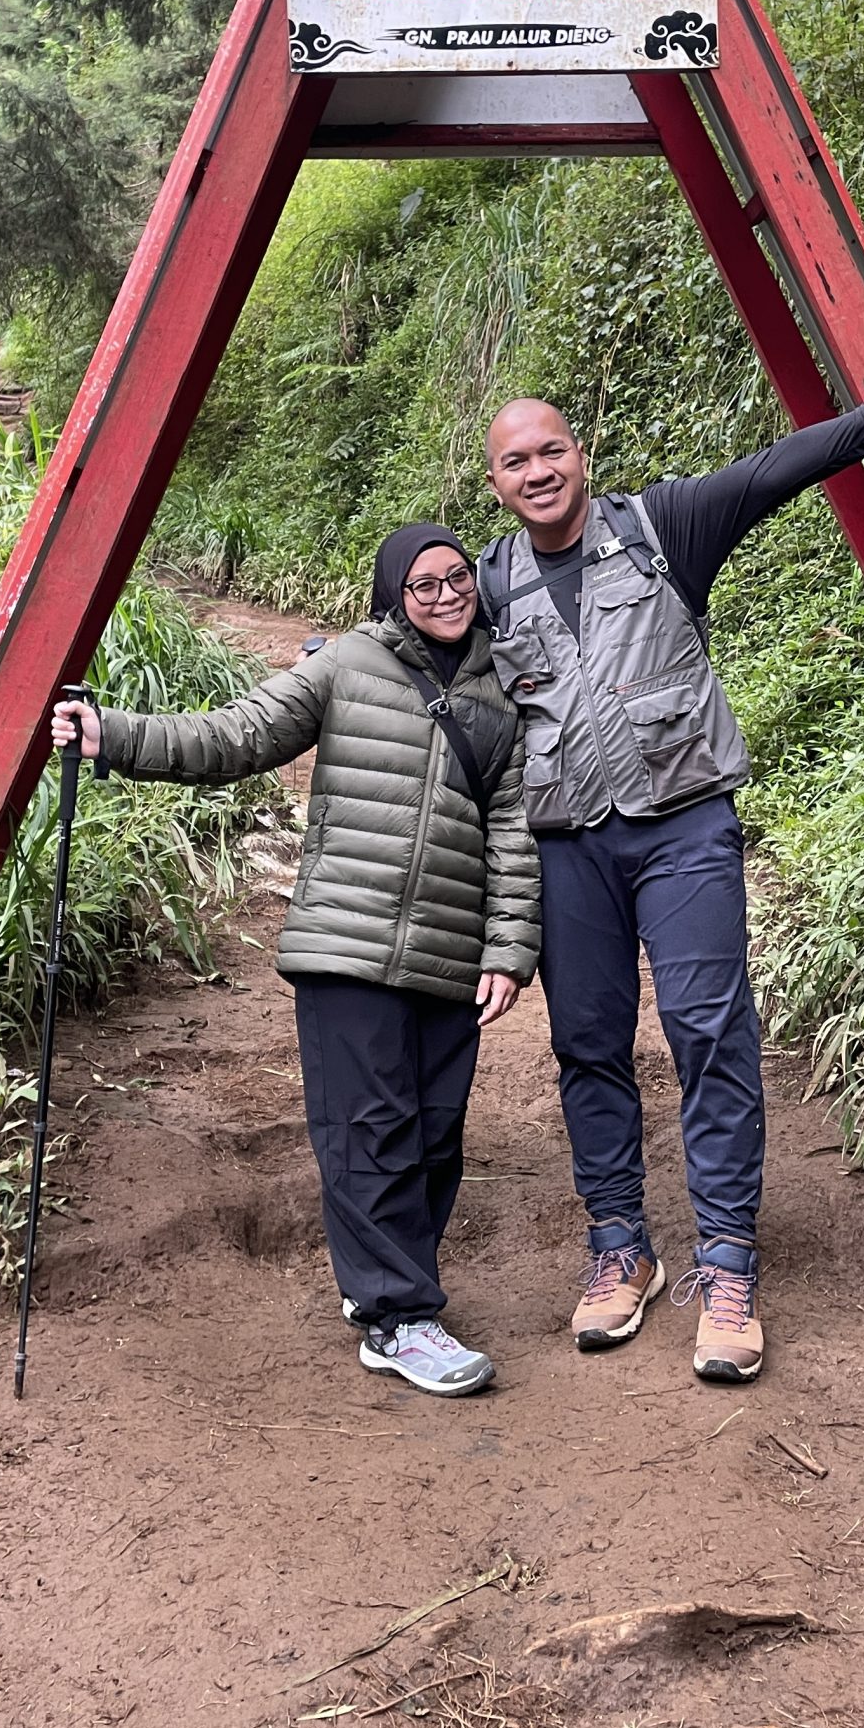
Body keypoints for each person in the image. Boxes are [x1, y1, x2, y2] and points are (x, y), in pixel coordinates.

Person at [476, 337, 864, 1386]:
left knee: (710, 1030)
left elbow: (774, 470)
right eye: (516, 461)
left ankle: (725, 1262)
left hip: (681, 828)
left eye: (552, 451)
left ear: (582, 454)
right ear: (495, 481)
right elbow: (409, 652)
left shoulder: (661, 527)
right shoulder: (490, 585)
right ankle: (621, 1247)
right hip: (569, 847)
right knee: (586, 1043)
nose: (538, 471)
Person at [51, 524, 539, 1398]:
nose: (443, 596)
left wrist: (508, 947)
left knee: (434, 1135)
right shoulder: (347, 665)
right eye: (421, 585)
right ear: (394, 595)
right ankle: (398, 1315)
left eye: (455, 578)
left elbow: (510, 832)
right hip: (345, 945)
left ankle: (389, 1299)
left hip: (448, 950)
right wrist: (110, 736)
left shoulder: (498, 689)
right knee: (368, 1131)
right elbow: (236, 737)